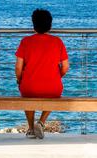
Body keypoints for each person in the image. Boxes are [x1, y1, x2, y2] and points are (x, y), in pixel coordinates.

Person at [15, 9, 69, 139]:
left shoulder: (25, 41)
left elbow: (18, 67)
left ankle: (31, 129)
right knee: (55, 93)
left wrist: (19, 80)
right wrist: (57, 77)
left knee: (26, 92)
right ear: (50, 25)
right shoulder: (58, 41)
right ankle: (41, 122)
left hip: (30, 87)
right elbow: (66, 67)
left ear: (33, 25)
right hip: (53, 88)